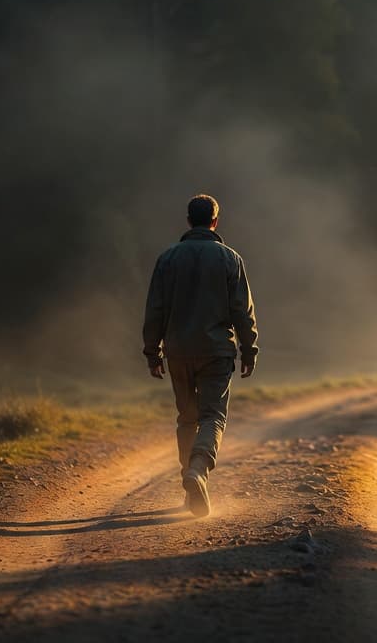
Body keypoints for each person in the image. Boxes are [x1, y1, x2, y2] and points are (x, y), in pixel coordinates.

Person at [142, 194, 259, 517]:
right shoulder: (229, 259)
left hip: (178, 352)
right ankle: (198, 469)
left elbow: (156, 309)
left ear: (189, 221)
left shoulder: (167, 259)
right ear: (215, 221)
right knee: (212, 417)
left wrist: (153, 352)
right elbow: (242, 311)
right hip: (216, 351)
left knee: (187, 419)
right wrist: (249, 349)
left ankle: (189, 487)